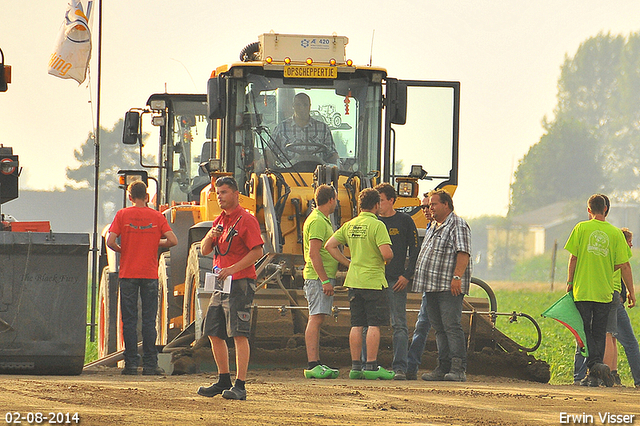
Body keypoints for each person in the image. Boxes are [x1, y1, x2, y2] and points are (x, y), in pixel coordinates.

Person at [197, 176, 264, 400]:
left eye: (224, 192)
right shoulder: (219, 221)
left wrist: (233, 269)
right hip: (220, 284)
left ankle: (240, 385)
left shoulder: (246, 220)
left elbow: (257, 252)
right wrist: (210, 235)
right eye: (218, 194)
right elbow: (205, 250)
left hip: (240, 282)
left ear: (236, 194)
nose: (220, 197)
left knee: (238, 333)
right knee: (214, 332)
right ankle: (222, 379)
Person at [106, 180, 178, 375]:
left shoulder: (122, 215)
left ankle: (130, 364)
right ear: (147, 196)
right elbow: (173, 240)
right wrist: (155, 241)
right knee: (149, 320)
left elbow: (110, 241)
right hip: (149, 274)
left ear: (130, 197)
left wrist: (123, 248)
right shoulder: (156, 216)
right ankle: (150, 365)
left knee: (129, 321)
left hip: (128, 273)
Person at [325, 188, 395, 380]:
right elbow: (387, 253)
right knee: (374, 324)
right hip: (373, 281)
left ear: (359, 205)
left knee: (356, 324)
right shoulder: (377, 225)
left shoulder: (350, 224)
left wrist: (348, 262)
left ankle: (356, 367)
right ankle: (371, 366)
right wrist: (386, 258)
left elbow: (329, 245)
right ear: (376, 205)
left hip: (354, 281)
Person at [565, 194, 630, 387]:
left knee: (585, 332)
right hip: (604, 291)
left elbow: (573, 258)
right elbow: (622, 263)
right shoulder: (615, 233)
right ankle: (594, 375)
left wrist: (570, 281)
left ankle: (592, 366)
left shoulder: (581, 228)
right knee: (600, 333)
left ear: (589, 210)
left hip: (583, 290)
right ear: (606, 210)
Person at [415, 188, 472, 382]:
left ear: (446, 204)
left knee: (451, 326)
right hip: (431, 286)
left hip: (448, 287)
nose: (430, 208)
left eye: (433, 204)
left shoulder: (458, 225)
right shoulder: (433, 226)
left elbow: (463, 253)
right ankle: (443, 366)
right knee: (439, 328)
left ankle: (458, 369)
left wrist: (457, 278)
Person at [374, 183, 419, 380]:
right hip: (374, 280)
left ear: (392, 200)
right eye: (376, 201)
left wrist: (407, 275)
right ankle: (369, 366)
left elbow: (415, 251)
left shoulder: (405, 221)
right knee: (370, 325)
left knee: (399, 324)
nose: (378, 205)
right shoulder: (372, 222)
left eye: (381, 200)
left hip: (396, 281)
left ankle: (400, 367)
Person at [302, 184, 340, 379]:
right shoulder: (317, 221)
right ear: (331, 199)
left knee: (317, 318)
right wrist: (325, 280)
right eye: (336, 199)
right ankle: (312, 363)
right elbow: (313, 253)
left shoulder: (322, 220)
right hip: (317, 278)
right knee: (315, 319)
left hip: (319, 277)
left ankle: (316, 362)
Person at [604, 228, 639, 387]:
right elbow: (625, 269)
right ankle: (638, 379)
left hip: (607, 297)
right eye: (629, 241)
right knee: (630, 342)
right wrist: (631, 293)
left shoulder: (608, 254)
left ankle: (613, 374)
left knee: (611, 338)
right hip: (613, 299)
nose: (631, 244)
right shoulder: (620, 257)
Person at [406, 194, 434, 380]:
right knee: (423, 326)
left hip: (439, 287)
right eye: (422, 207)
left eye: (427, 206)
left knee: (432, 327)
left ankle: (453, 367)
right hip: (428, 287)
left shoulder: (449, 227)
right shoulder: (430, 228)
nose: (424, 210)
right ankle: (411, 367)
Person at [272, 92, 339, 166]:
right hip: (288, 173)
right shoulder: (281, 128)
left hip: (318, 173)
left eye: (305, 105)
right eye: (298, 105)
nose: (302, 108)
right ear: (293, 106)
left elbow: (332, 154)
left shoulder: (323, 129)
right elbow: (270, 151)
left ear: (309, 106)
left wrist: (338, 165)